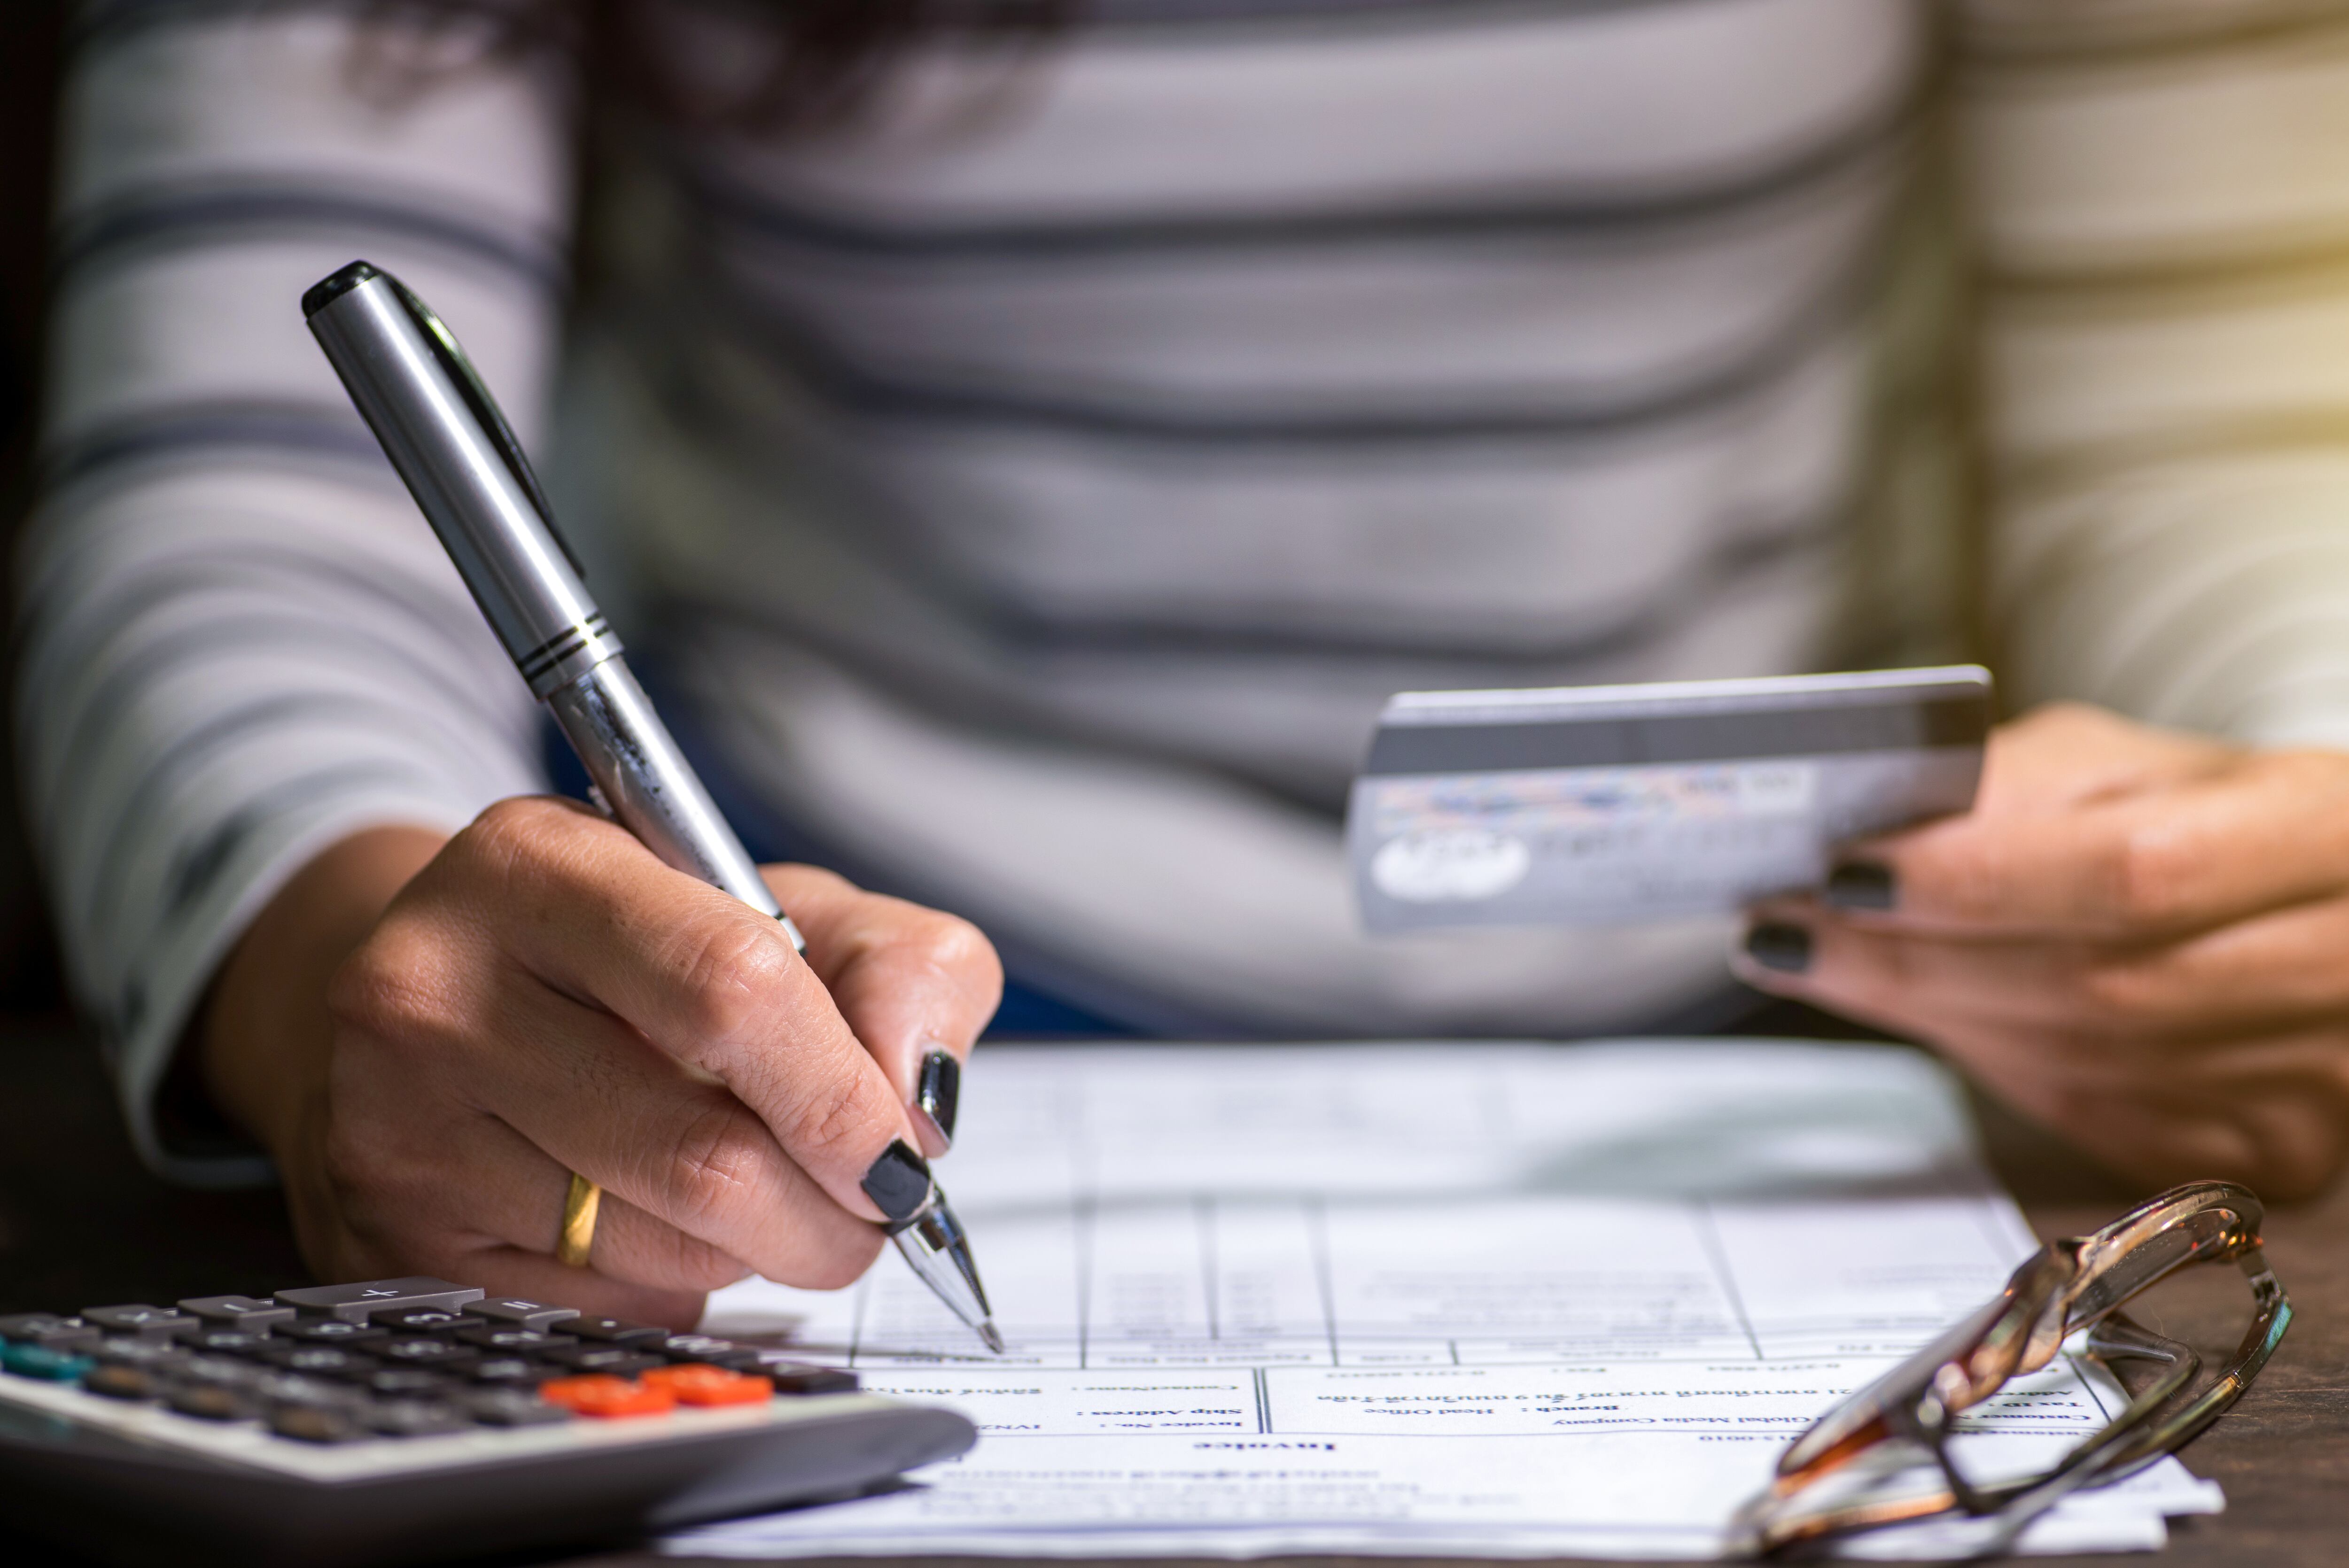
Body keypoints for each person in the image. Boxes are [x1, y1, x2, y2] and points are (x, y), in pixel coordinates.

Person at [24, 0, 2349, 1326]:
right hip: (774, 1006)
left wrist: (2289, 826)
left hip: (1810, 1027)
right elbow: (245, 493)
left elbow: (2229, 424)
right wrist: (345, 952)